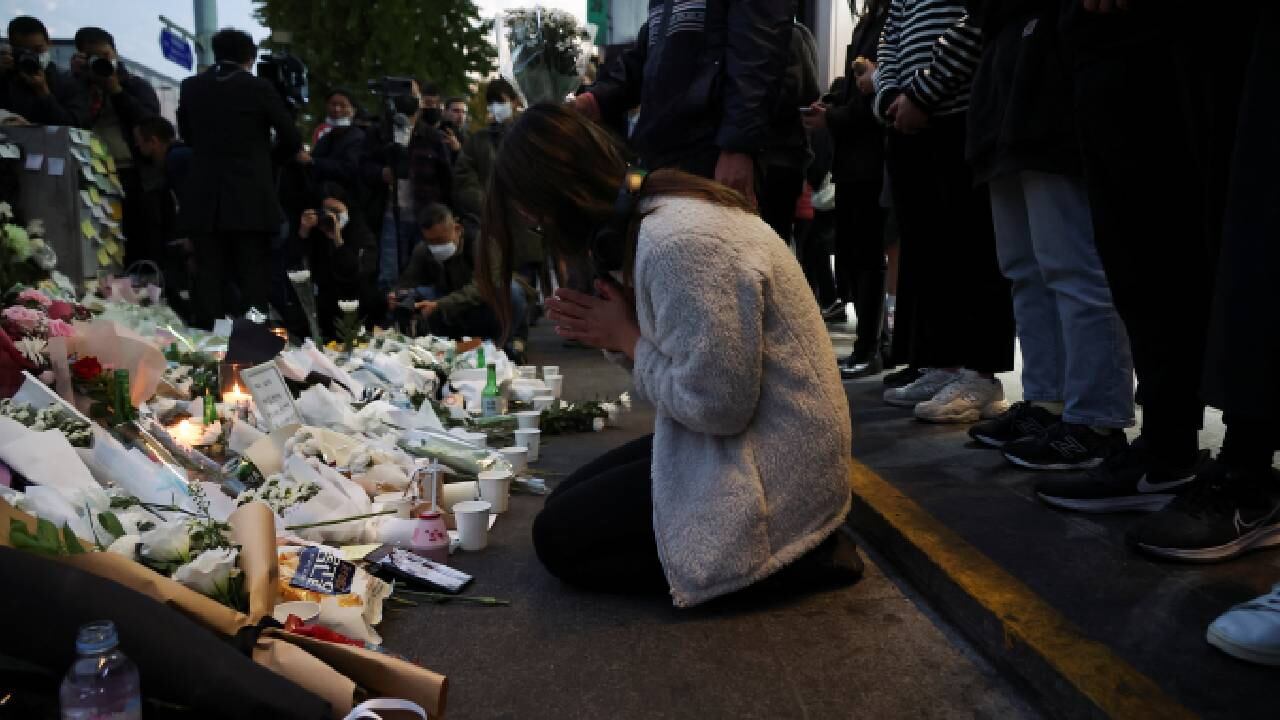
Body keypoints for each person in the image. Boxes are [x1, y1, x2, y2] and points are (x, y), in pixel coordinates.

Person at [477, 104, 862, 606]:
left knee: (558, 539)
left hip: (780, 473)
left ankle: (785, 560)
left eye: (533, 216)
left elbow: (718, 406)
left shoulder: (679, 242)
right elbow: (687, 368)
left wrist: (626, 338)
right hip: (763, 440)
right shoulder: (657, 216)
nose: (536, 228)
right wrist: (618, 334)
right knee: (566, 500)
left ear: (560, 196)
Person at [960, 0, 1134, 471]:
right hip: (1010, 63)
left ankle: (1095, 419)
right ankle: (1047, 402)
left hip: (1054, 54)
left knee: (1071, 263)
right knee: (1024, 267)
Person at [872, 0, 1016, 423]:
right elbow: (890, 37)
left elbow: (975, 24)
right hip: (907, 123)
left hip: (959, 114)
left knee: (974, 249)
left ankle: (980, 375)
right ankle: (945, 364)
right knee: (928, 251)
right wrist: (889, 97)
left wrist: (922, 93)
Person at [573, 0, 796, 205]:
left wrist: (738, 146)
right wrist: (596, 99)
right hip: (658, 156)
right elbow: (648, 55)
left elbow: (758, 51)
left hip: (711, 156)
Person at [177, 28, 301, 328]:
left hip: (205, 198)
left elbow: (187, 134)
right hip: (250, 199)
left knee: (209, 278)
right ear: (250, 57)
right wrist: (266, 161)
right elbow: (291, 138)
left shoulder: (192, 86)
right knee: (252, 280)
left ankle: (209, 346)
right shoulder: (259, 88)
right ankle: (252, 345)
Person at [804, 0, 892, 377]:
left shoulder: (888, 21)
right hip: (854, 161)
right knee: (856, 257)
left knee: (866, 258)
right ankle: (874, 346)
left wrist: (832, 117)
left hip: (871, 158)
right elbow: (858, 93)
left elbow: (875, 98)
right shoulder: (868, 22)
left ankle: (870, 348)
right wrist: (830, 104)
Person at [72, 27, 161, 267]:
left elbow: (150, 123)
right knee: (99, 245)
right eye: (94, 57)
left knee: (140, 244)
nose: (102, 62)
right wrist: (78, 81)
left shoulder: (134, 85)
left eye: (106, 55)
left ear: (115, 52)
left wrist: (116, 90)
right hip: (91, 175)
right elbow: (71, 121)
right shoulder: (76, 86)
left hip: (133, 175)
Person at [362, 78, 454, 290]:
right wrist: (380, 173)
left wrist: (447, 213)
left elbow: (446, 177)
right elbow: (363, 166)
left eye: (412, 94)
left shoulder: (431, 136)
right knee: (389, 274)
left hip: (425, 214)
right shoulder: (379, 133)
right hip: (389, 217)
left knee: (427, 273)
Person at [387, 203, 526, 342]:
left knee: (511, 291)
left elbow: (482, 287)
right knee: (417, 294)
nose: (435, 246)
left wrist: (440, 305)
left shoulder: (482, 243)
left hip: (483, 304)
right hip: (451, 304)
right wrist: (397, 295)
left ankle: (506, 340)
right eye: (430, 241)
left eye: (440, 240)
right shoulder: (424, 250)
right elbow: (409, 280)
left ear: (457, 229)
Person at [454, 78, 543, 287]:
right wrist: (486, 203)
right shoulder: (479, 140)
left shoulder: (529, 135)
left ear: (514, 101)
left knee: (523, 287)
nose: (496, 108)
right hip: (491, 224)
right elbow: (463, 177)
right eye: (492, 103)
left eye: (500, 101)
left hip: (525, 228)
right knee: (496, 282)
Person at [757, 20, 820, 244]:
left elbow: (792, 93)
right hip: (787, 156)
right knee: (777, 240)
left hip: (771, 156)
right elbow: (810, 90)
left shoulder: (778, 34)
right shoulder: (799, 33)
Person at [133, 116, 195, 321]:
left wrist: (192, 239)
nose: (138, 147)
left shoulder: (176, 160)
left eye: (140, 142)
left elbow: (191, 201)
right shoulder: (183, 154)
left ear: (154, 142)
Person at [298, 183, 379, 337]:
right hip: (324, 308)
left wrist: (338, 240)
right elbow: (296, 267)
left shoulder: (361, 234)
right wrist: (304, 232)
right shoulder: (316, 235)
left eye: (335, 211)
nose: (331, 217)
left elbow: (356, 276)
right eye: (326, 211)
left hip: (355, 306)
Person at [0, 16, 89, 127]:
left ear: (49, 43)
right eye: (23, 51)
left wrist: (44, 92)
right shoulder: (6, 77)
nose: (32, 56)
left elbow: (73, 125)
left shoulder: (69, 82)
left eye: (37, 50)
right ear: (12, 49)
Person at [297, 89, 366, 199]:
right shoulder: (326, 138)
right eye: (333, 104)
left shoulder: (358, 137)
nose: (336, 109)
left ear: (353, 111)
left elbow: (349, 169)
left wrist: (313, 161)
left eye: (343, 106)